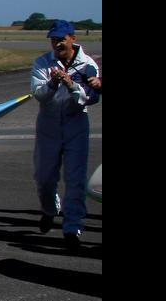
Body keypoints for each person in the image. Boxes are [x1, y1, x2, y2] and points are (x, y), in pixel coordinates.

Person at [30, 19, 101, 250]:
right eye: (53, 39)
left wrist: (71, 85)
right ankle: (50, 209)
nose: (57, 43)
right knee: (44, 177)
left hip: (76, 124)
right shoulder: (42, 63)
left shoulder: (88, 64)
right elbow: (38, 95)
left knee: (75, 178)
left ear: (73, 38)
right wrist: (52, 83)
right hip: (48, 124)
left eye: (61, 39)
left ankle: (72, 227)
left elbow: (91, 97)